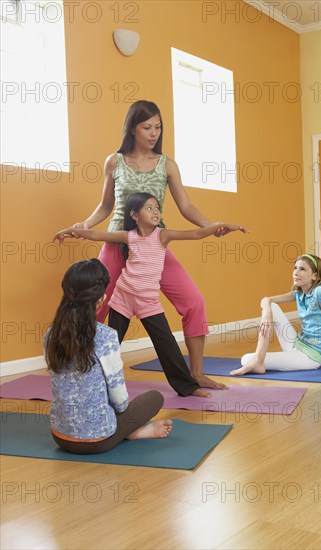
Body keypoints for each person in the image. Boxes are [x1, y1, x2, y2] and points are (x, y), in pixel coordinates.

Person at [72, 100, 249, 390]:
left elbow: (186, 205)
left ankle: (195, 373)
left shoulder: (167, 165)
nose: (153, 133)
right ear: (132, 127)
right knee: (94, 307)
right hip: (118, 244)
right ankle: (80, 372)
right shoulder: (114, 162)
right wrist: (86, 225)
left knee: (194, 303)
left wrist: (211, 227)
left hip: (153, 247)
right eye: (147, 127)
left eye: (158, 127)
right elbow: (105, 206)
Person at [54, 192, 246, 397]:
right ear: (134, 215)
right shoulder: (128, 237)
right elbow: (97, 235)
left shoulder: (162, 235)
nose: (155, 212)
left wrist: (223, 226)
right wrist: (70, 231)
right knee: (109, 344)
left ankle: (187, 386)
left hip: (147, 302)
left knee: (167, 345)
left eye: (157, 207)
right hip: (123, 297)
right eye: (149, 208)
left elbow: (195, 234)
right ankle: (90, 380)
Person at [44, 258, 172, 455]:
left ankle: (128, 431)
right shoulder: (106, 337)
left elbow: (58, 386)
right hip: (98, 441)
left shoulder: (50, 334)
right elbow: (119, 400)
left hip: (60, 436)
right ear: (101, 299)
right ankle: (132, 432)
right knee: (155, 397)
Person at [230, 254, 321, 376]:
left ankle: (258, 362)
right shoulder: (299, 293)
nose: (296, 273)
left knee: (246, 359)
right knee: (270, 306)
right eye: (295, 268)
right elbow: (266, 299)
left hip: (310, 357)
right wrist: (266, 313)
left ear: (315, 276)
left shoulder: (320, 292)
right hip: (296, 344)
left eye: (303, 269)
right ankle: (259, 361)